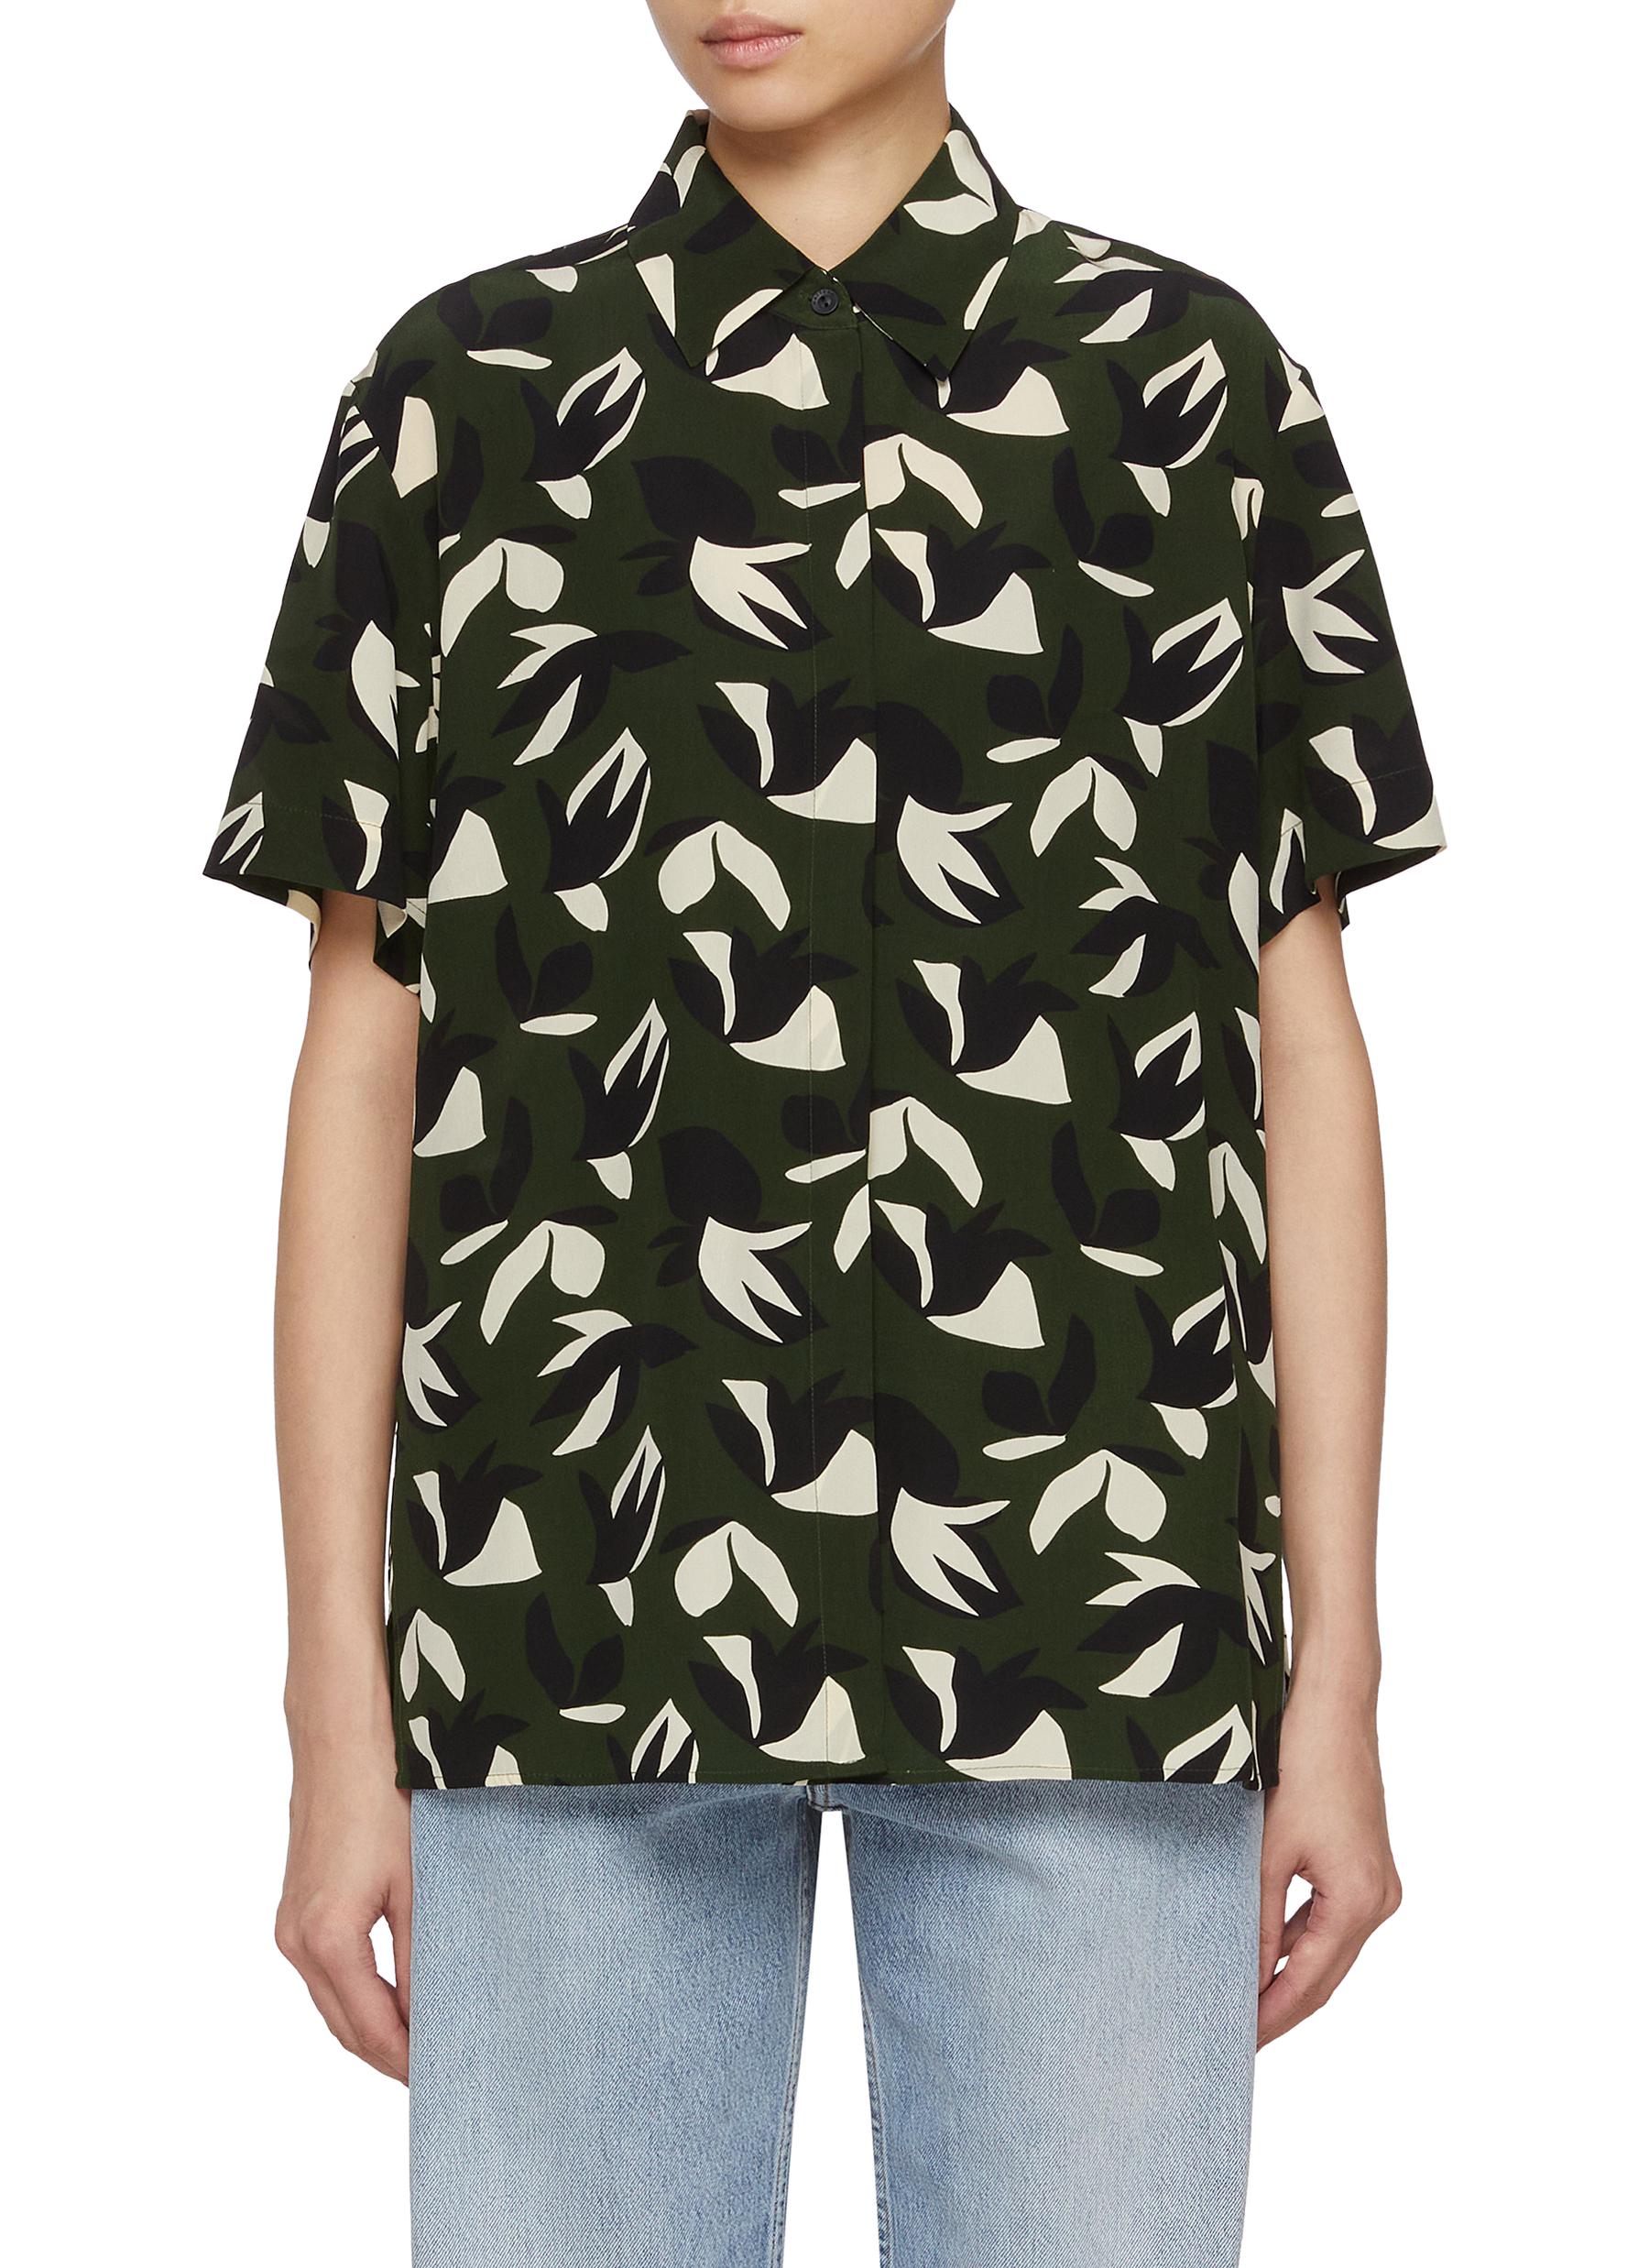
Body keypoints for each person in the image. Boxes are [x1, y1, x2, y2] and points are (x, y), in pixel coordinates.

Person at [202, 3, 1447, 2261]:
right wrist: (330, 1714)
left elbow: (1302, 1049)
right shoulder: (465, 401)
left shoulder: (1185, 390)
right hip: (565, 1614)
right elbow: (361, 1056)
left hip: (1097, 1620)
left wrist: (1339, 1681)